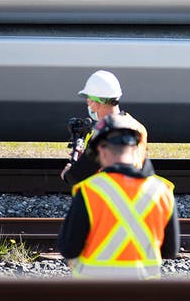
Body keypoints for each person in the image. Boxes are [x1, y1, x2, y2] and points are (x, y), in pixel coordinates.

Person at [56, 112, 179, 278]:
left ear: (101, 151)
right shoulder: (161, 191)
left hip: (96, 294)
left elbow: (69, 248)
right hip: (145, 297)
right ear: (135, 149)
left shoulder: (89, 191)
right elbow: (170, 251)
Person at [60, 69, 147, 188]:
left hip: (109, 195)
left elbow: (78, 176)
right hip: (134, 192)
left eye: (88, 101)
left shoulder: (103, 132)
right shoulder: (137, 127)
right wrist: (85, 157)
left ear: (96, 103)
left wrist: (67, 173)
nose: (88, 105)